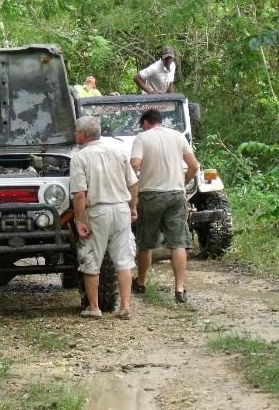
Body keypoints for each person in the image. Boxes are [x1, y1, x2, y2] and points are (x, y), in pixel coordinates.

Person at [69, 116, 138, 319]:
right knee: (123, 260)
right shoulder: (118, 152)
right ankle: (125, 306)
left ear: (83, 135)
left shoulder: (80, 157)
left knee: (91, 259)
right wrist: (133, 207)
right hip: (121, 209)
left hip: (97, 211)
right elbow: (133, 184)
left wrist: (79, 220)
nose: (74, 135)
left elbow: (80, 194)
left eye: (76, 132)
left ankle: (94, 307)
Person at [130, 108, 199, 302]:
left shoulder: (142, 138)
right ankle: (179, 289)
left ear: (146, 123)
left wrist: (133, 182)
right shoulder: (178, 136)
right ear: (159, 121)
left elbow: (134, 164)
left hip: (150, 195)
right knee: (178, 243)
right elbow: (194, 166)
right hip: (176, 194)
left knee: (146, 243)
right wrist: (185, 179)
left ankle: (141, 282)